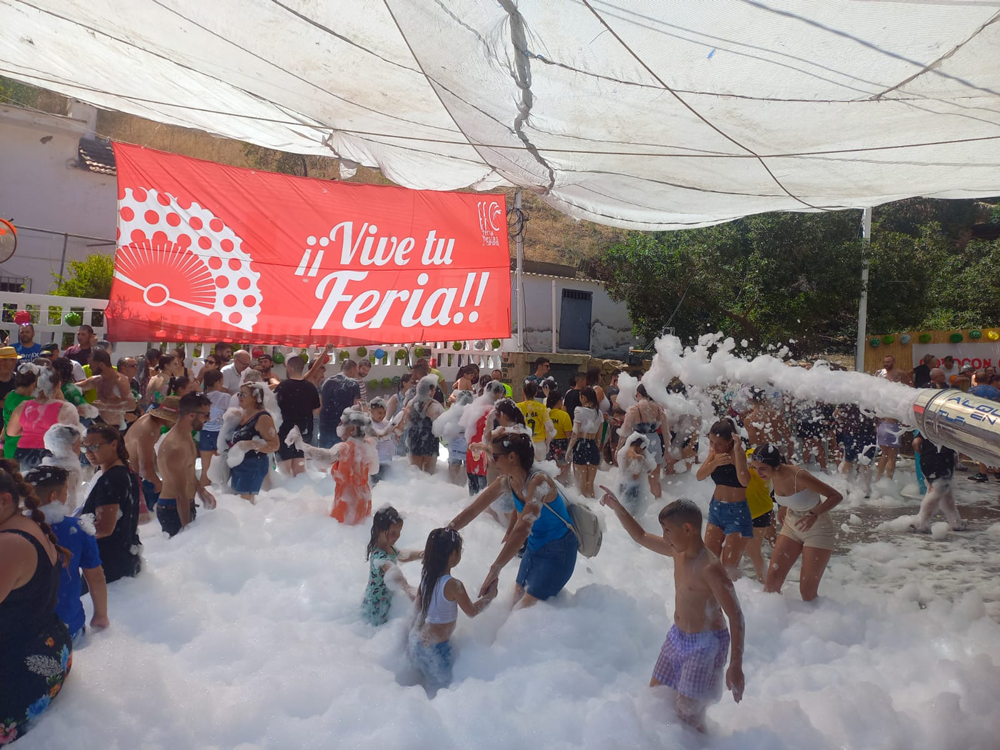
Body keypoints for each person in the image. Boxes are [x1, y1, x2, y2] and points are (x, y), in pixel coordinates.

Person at [598, 490, 745, 733]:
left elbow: (736, 615)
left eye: (667, 530)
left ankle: (705, 743)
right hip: (677, 637)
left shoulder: (709, 568)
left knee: (687, 715)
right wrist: (616, 506)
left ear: (687, 529)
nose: (664, 537)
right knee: (656, 699)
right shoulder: (677, 551)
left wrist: (736, 666)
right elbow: (641, 535)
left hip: (706, 646)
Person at [449, 432, 578, 608]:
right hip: (534, 546)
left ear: (512, 457)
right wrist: (449, 530)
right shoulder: (508, 481)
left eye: (495, 457)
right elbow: (474, 508)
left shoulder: (539, 481)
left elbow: (523, 528)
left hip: (560, 550)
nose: (492, 461)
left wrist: (495, 568)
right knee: (515, 599)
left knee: (527, 608)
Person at [0, 459, 73, 741]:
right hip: (49, 648)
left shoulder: (9, 544)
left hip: (21, 672)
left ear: (5, 499)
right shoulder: (25, 522)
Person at [407, 528, 498, 692]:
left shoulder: (426, 577)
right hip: (436, 650)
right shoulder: (454, 585)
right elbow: (472, 612)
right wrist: (490, 596)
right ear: (453, 555)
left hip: (417, 642)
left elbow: (418, 606)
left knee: (425, 686)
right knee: (444, 690)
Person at [27, 466, 109, 641]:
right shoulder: (78, 529)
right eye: (66, 490)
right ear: (54, 497)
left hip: (23, 628)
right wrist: (100, 615)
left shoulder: (14, 529)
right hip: (67, 626)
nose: (68, 494)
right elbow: (96, 577)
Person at [752, 444, 843, 601]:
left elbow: (836, 496)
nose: (757, 472)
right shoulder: (770, 476)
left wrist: (814, 513)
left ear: (776, 466)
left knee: (807, 593)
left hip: (818, 528)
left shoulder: (799, 476)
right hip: (791, 525)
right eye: (755, 467)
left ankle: (820, 622)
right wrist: (783, 506)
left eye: (762, 468)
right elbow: (786, 494)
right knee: (771, 585)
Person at [286, 409, 378, 523]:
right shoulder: (368, 445)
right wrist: (364, 420)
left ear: (352, 429)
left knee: (343, 533)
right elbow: (375, 436)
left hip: (346, 503)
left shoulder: (345, 447)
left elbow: (326, 457)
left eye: (343, 423)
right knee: (360, 531)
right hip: (364, 500)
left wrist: (302, 445)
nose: (339, 426)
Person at [80, 424, 142, 582]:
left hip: (109, 564)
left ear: (114, 444)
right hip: (126, 556)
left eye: (94, 446)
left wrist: (69, 536)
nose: (88, 453)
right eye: (84, 448)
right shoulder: (126, 471)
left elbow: (103, 528)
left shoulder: (111, 479)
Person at [695, 419, 752, 580]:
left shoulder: (737, 453)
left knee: (729, 569)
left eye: (719, 443)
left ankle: (735, 601)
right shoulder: (714, 453)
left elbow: (745, 481)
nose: (713, 446)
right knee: (709, 562)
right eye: (711, 442)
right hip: (716, 509)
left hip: (737, 512)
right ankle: (710, 602)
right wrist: (714, 463)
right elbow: (700, 476)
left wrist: (737, 451)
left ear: (729, 442)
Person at [156, 393, 216, 537]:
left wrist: (201, 491)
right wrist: (187, 531)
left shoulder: (187, 434)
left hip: (182, 505)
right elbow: (180, 494)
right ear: (191, 415)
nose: (208, 419)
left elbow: (187, 471)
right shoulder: (174, 447)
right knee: (180, 555)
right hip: (172, 508)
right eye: (205, 415)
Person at [7, 364, 80, 473]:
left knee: (26, 488)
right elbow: (74, 441)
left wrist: (32, 429)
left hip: (24, 454)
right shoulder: (65, 408)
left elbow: (11, 432)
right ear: (58, 385)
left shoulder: (23, 406)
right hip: (51, 454)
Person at [362, 506, 421, 626]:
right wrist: (407, 588)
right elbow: (392, 572)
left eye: (399, 532)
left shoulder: (389, 547)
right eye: (393, 533)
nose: (397, 536)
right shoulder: (379, 556)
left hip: (385, 598)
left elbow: (403, 555)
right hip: (377, 605)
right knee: (377, 630)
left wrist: (424, 554)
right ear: (379, 530)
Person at [124, 397, 178, 516]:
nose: (175, 423)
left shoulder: (149, 421)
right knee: (143, 521)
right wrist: (159, 484)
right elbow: (145, 469)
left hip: (132, 475)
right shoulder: (148, 429)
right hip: (130, 477)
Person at [228, 382, 280, 503]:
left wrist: (250, 444)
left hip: (253, 466)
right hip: (239, 465)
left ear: (256, 397)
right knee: (237, 503)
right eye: (239, 394)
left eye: (244, 394)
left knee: (245, 505)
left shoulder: (263, 418)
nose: (240, 397)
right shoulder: (243, 414)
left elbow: (275, 445)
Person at [620, 383, 669, 500]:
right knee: (655, 479)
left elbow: (624, 432)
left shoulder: (633, 410)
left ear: (639, 394)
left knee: (636, 477)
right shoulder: (658, 409)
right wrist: (667, 450)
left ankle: (637, 505)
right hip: (655, 441)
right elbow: (666, 433)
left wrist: (619, 448)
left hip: (639, 442)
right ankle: (657, 506)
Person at [274, 355, 321, 477]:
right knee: (300, 469)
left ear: (289, 368)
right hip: (304, 431)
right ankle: (300, 493)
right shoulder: (310, 387)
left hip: (285, 432)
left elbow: (274, 409)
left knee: (284, 472)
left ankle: (286, 494)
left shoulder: (282, 387)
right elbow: (316, 410)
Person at [911, 430, 964, 532]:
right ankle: (920, 522)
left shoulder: (928, 424)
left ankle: (956, 523)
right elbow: (960, 448)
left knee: (946, 493)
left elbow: (916, 443)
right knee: (937, 491)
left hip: (927, 460)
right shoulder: (950, 424)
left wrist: (924, 455)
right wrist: (956, 459)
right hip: (944, 461)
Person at [76, 349, 136, 429]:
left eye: (92, 365)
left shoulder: (119, 381)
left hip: (114, 428)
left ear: (101, 365)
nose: (90, 368)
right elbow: (75, 387)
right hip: (97, 424)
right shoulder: (97, 380)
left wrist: (105, 406)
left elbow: (131, 405)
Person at [743, 447, 775, 582]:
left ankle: (764, 581)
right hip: (742, 510)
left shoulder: (752, 455)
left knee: (753, 550)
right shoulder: (742, 456)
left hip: (760, 510)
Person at [402, 374, 445, 474]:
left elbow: (405, 422)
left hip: (413, 439)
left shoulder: (411, 403)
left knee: (415, 474)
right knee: (430, 475)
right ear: (430, 390)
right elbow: (443, 426)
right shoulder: (434, 405)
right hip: (429, 440)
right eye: (434, 389)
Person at [567, 386, 603, 498]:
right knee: (590, 485)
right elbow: (599, 437)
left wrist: (568, 450)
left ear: (583, 397)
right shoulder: (599, 413)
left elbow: (575, 433)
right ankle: (595, 509)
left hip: (581, 446)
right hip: (593, 447)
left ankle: (584, 509)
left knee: (581, 486)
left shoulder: (579, 410)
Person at [836, 403, 877, 496]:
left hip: (851, 431)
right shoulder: (871, 397)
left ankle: (845, 487)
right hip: (868, 432)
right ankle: (865, 489)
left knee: (848, 460)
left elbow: (836, 414)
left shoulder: (850, 396)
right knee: (866, 461)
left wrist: (845, 421)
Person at [319, 359, 361, 448]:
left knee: (326, 455)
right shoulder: (353, 384)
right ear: (352, 370)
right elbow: (356, 407)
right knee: (341, 455)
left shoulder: (326, 381)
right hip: (342, 425)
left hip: (325, 423)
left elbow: (321, 403)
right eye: (355, 372)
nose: (355, 375)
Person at [198, 370, 230, 485]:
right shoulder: (225, 397)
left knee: (205, 470)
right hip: (220, 435)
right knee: (222, 470)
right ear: (217, 382)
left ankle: (201, 497)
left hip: (204, 434)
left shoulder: (201, 397)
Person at [2, 365, 36, 459]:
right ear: (34, 383)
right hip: (22, 454)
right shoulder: (30, 403)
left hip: (9, 450)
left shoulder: (11, 395)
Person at [617, 433, 654, 515]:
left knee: (627, 509)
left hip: (627, 483)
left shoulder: (623, 452)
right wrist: (640, 458)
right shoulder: (632, 454)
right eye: (642, 449)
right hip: (630, 485)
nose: (642, 451)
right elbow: (631, 453)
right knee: (630, 510)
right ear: (638, 446)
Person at [370, 398, 404, 483]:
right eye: (380, 413)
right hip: (377, 461)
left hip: (387, 459)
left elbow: (398, 431)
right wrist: (392, 426)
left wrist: (403, 417)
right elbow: (380, 435)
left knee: (386, 483)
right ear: (371, 411)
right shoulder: (369, 425)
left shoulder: (384, 422)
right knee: (378, 485)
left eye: (384, 413)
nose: (382, 415)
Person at [517, 380, 551, 461]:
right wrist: (547, 444)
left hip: (523, 443)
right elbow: (549, 428)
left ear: (524, 392)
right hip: (539, 444)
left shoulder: (518, 407)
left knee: (524, 471)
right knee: (539, 471)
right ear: (536, 393)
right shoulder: (542, 408)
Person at [545, 390, 573, 483]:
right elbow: (569, 434)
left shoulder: (545, 414)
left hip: (547, 444)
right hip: (561, 444)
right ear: (559, 401)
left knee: (549, 471)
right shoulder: (564, 415)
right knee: (563, 472)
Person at [0, 346, 17, 434]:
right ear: (2, 361)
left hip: (12, 427)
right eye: (12, 359)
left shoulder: (16, 378)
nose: (16, 362)